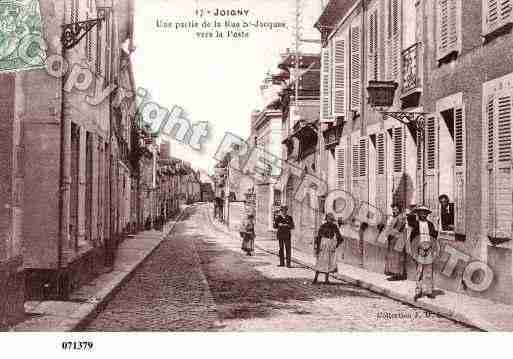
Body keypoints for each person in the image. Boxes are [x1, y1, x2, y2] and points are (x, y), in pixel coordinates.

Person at [408, 206, 438, 301]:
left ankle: (429, 291)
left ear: (427, 214)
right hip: (419, 250)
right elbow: (412, 238)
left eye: (425, 213)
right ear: (418, 214)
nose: (423, 214)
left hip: (428, 249)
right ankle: (418, 291)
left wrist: (432, 247)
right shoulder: (415, 225)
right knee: (419, 271)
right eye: (421, 213)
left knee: (428, 271)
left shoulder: (430, 225)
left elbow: (434, 236)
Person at [313, 213, 343, 284]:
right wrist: (317, 247)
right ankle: (315, 278)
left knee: (328, 262)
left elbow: (340, 238)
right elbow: (318, 237)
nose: (330, 221)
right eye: (329, 219)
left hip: (329, 245)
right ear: (326, 219)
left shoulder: (333, 226)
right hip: (323, 245)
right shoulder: (323, 226)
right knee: (320, 262)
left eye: (331, 219)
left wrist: (335, 245)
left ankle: (326, 279)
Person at [383, 203, 408, 281]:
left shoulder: (401, 217)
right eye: (393, 209)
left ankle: (398, 274)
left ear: (399, 209)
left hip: (398, 239)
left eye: (396, 209)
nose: (394, 210)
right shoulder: (395, 217)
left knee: (397, 257)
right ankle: (394, 274)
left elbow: (398, 229)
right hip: (393, 239)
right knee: (393, 256)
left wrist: (388, 232)